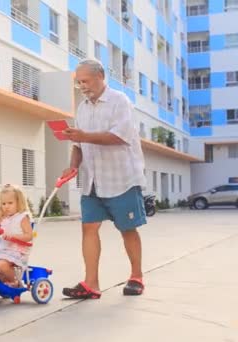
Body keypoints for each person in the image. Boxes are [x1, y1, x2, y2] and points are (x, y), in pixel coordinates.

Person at [61, 59, 148, 299]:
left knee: (127, 229)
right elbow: (78, 144)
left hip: (122, 178)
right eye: (79, 83)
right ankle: (91, 284)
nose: (82, 86)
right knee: (88, 227)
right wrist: (72, 167)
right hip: (92, 181)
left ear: (100, 76)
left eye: (85, 81)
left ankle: (136, 277)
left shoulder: (120, 101)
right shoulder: (82, 107)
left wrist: (84, 136)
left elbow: (119, 137)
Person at [0, 184, 33, 288]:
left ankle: (14, 281)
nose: (6, 206)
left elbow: (29, 236)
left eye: (10, 203)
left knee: (1, 264)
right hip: (2, 249)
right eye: (3, 203)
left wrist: (13, 236)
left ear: (19, 203)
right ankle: (1, 277)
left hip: (17, 251)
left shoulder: (22, 217)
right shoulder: (4, 218)